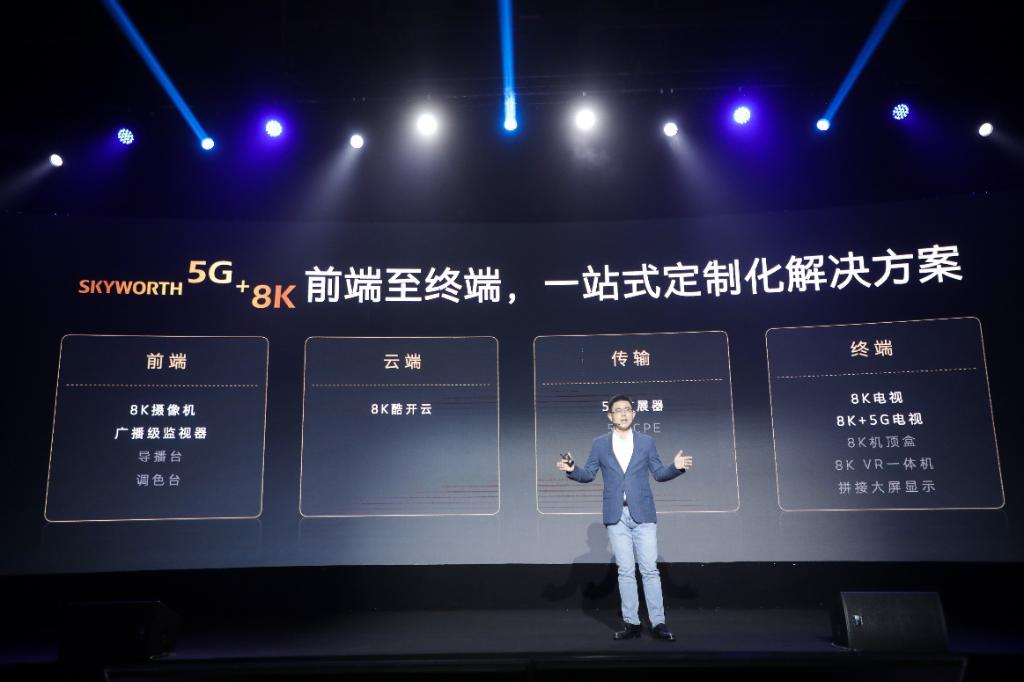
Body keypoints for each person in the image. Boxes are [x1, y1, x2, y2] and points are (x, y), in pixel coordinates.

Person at [557, 394, 693, 641]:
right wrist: (572, 469)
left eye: (627, 409)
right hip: (616, 515)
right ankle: (632, 623)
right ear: (610, 416)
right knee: (626, 571)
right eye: (618, 410)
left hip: (643, 514)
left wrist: (676, 467)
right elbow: (589, 474)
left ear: (634, 413)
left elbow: (659, 473)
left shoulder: (647, 442)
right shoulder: (599, 444)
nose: (623, 414)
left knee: (650, 570)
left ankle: (658, 623)